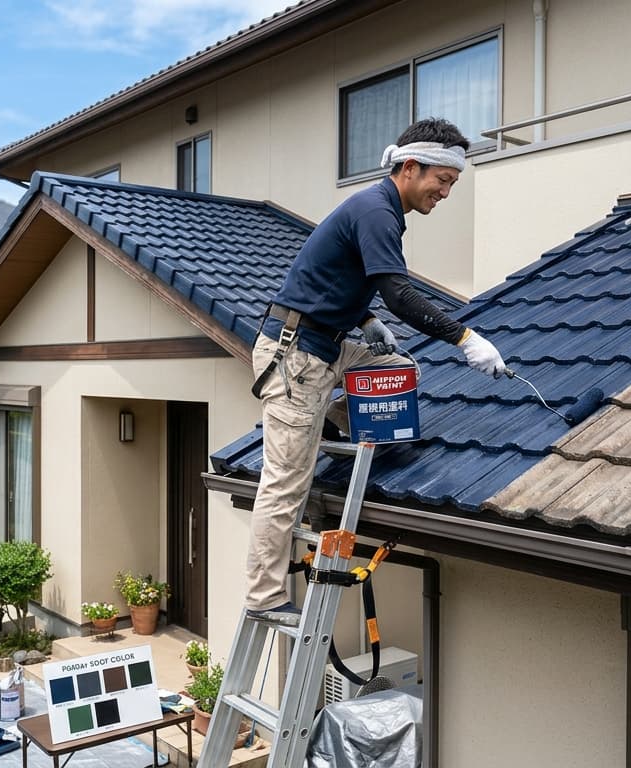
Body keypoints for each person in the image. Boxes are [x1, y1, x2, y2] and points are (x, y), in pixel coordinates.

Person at [244, 117, 507, 626]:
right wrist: (465, 338)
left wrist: (366, 320)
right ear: (410, 167)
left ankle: (336, 419)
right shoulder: (376, 210)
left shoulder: (378, 209)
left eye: (452, 184)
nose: (446, 193)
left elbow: (330, 274)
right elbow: (400, 294)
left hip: (329, 344)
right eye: (443, 180)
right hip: (296, 355)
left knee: (397, 369)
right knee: (285, 483)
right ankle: (264, 596)